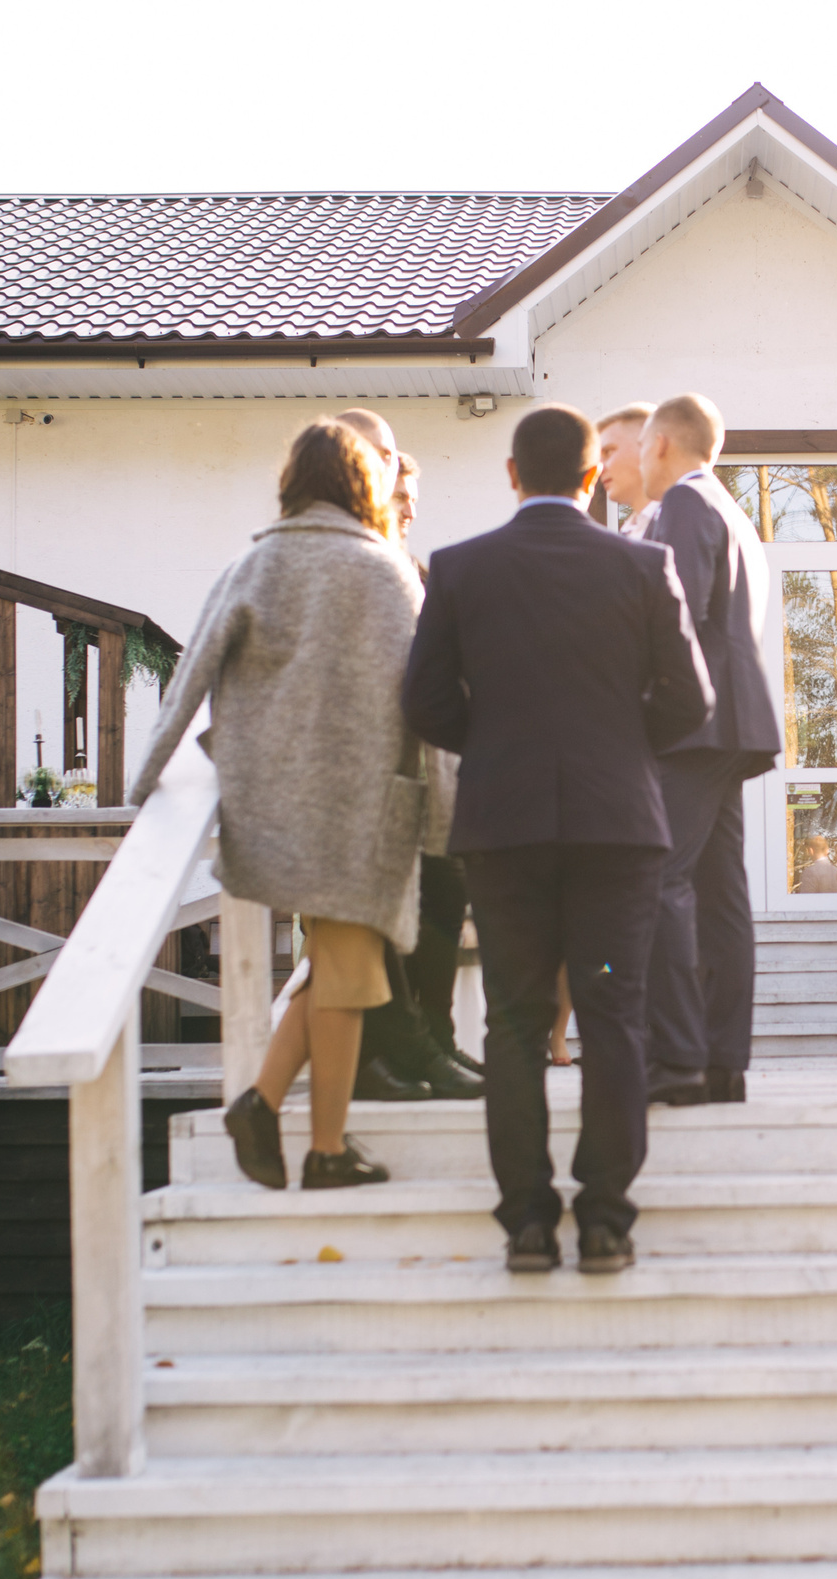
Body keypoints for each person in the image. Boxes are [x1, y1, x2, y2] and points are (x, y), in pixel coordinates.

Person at [407, 402, 712, 1274]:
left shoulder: (461, 569)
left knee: (514, 1020)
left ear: (512, 474)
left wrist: (498, 743)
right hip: (616, 833)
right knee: (614, 1014)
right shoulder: (643, 563)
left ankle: (529, 1224)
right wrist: (617, 747)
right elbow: (691, 702)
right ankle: (609, 1218)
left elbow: (424, 702)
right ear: (590, 478)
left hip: (504, 833)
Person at [135, 417, 419, 1191]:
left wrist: (146, 776)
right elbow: (428, 698)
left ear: (293, 481)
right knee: (350, 974)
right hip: (359, 812)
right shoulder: (387, 573)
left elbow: (190, 674)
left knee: (337, 967)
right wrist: (449, 809)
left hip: (270, 803)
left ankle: (263, 1106)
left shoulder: (253, 563)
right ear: (363, 482)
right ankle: (321, 1146)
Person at [331, 408, 482, 1105]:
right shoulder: (349, 562)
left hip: (435, 776)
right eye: (400, 496)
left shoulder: (414, 570)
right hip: (370, 783)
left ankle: (439, 1041)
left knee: (445, 901)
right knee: (376, 927)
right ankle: (388, 1056)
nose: (407, 510)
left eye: (413, 502)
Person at [637, 393, 782, 1108]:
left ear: (662, 442)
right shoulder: (731, 509)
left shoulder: (686, 506)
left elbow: (677, 617)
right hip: (736, 726)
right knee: (723, 894)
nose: (636, 461)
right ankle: (724, 1060)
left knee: (660, 877)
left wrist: (641, 709)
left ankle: (679, 1057)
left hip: (695, 723)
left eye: (639, 448)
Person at [597, 403, 657, 537]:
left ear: (647, 447)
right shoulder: (628, 532)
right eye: (598, 458)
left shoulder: (685, 519)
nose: (600, 467)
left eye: (608, 452)